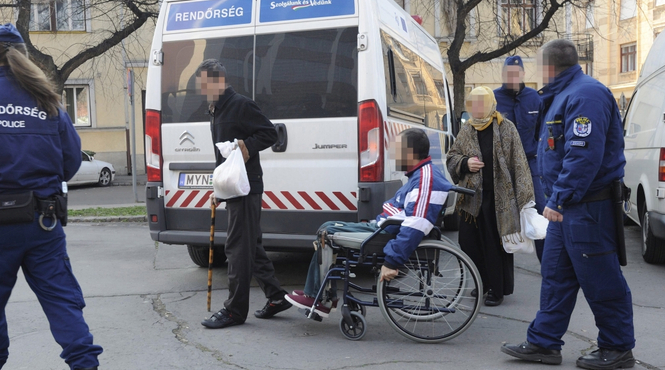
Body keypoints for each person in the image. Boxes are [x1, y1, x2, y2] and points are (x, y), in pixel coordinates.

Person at [0, 24, 102, 370]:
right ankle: (85, 364)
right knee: (61, 300)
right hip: (43, 221)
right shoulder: (48, 101)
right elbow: (70, 161)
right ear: (24, 57)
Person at [501, 39, 635, 369]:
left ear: (548, 67)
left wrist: (558, 199)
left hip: (587, 207)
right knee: (557, 276)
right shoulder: (563, 93)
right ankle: (544, 343)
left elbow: (583, 156)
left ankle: (618, 348)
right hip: (569, 207)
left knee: (601, 278)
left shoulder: (585, 94)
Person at [285, 129, 452, 317]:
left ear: (410, 153)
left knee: (327, 232)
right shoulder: (421, 173)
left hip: (386, 233)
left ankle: (317, 297)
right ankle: (319, 295)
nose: (394, 154)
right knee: (327, 228)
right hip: (384, 227)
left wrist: (392, 261)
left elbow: (416, 224)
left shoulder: (425, 179)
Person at [197, 59, 292, 329]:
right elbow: (222, 156)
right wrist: (218, 189)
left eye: (204, 85)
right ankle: (276, 297)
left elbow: (269, 133)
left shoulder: (240, 105)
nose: (202, 90)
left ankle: (234, 312)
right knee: (252, 246)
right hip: (232, 186)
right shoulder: (215, 108)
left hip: (246, 187)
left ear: (217, 81)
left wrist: (245, 146)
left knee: (237, 249)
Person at [446, 86, 534, 307]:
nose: (476, 108)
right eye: (472, 103)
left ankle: (497, 288)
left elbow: (519, 163)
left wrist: (525, 200)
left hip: (499, 199)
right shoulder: (467, 129)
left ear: (490, 104)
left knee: (494, 245)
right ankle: (482, 283)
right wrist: (466, 163)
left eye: (480, 103)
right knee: (470, 244)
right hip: (472, 199)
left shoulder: (506, 128)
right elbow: (452, 157)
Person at [493, 56, 546, 262]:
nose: (512, 77)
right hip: (502, 167)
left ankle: (548, 266)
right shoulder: (494, 99)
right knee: (501, 217)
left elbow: (542, 132)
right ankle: (501, 279)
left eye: (516, 73)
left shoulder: (535, 98)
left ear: (523, 74)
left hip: (530, 165)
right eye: (508, 73)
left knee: (539, 211)